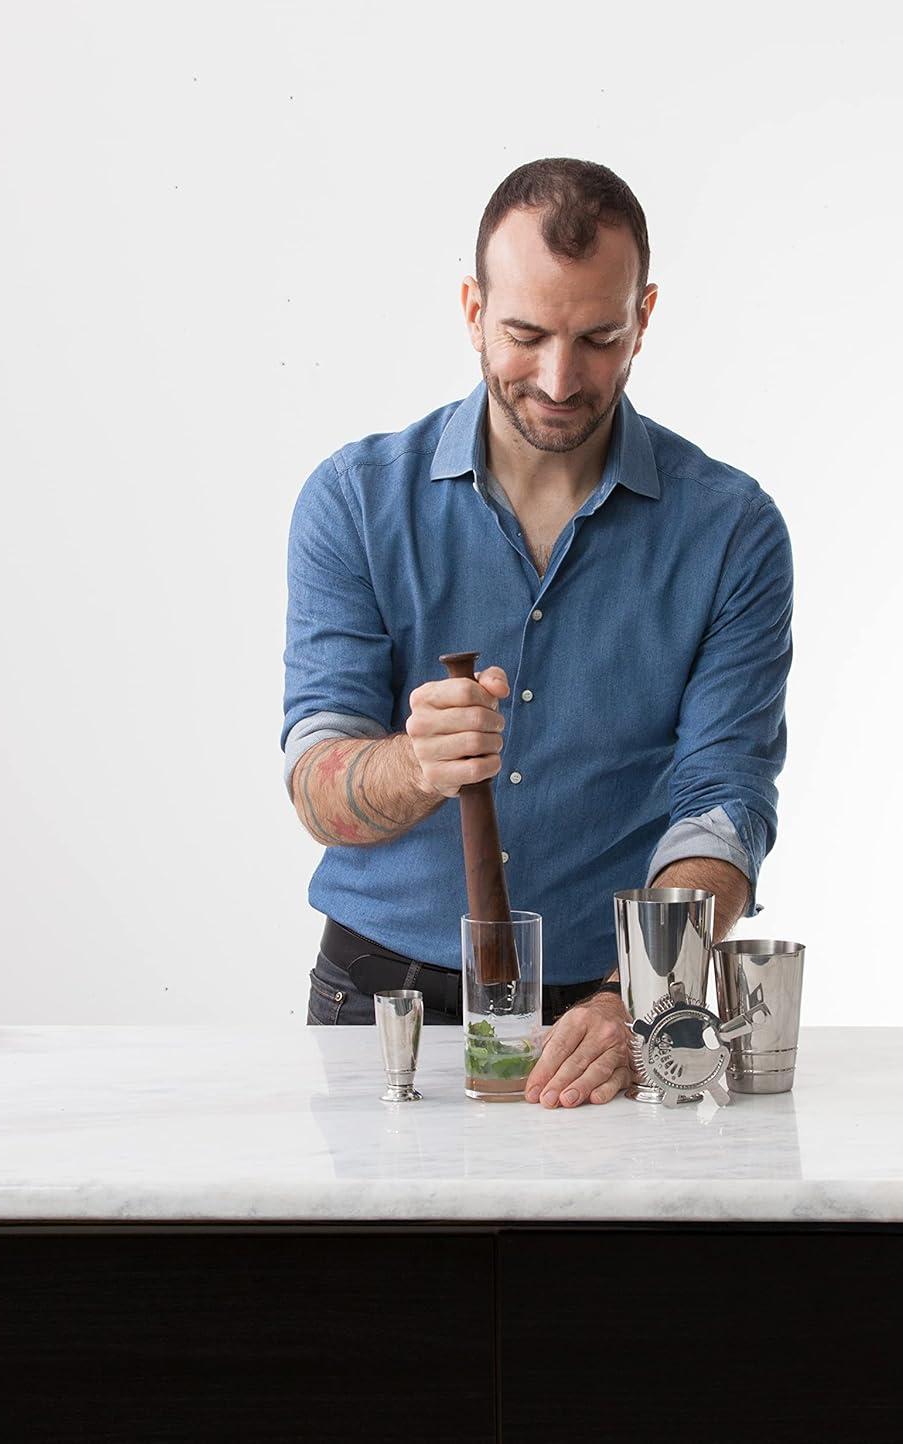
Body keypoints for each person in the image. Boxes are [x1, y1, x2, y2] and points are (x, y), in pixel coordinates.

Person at [281, 157, 793, 1109]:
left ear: (643, 317)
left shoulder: (731, 531)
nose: (560, 379)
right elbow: (315, 785)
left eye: (599, 337)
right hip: (379, 1003)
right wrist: (414, 766)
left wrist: (637, 999)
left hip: (608, 1011)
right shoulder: (353, 503)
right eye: (525, 333)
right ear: (472, 309)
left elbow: (723, 804)